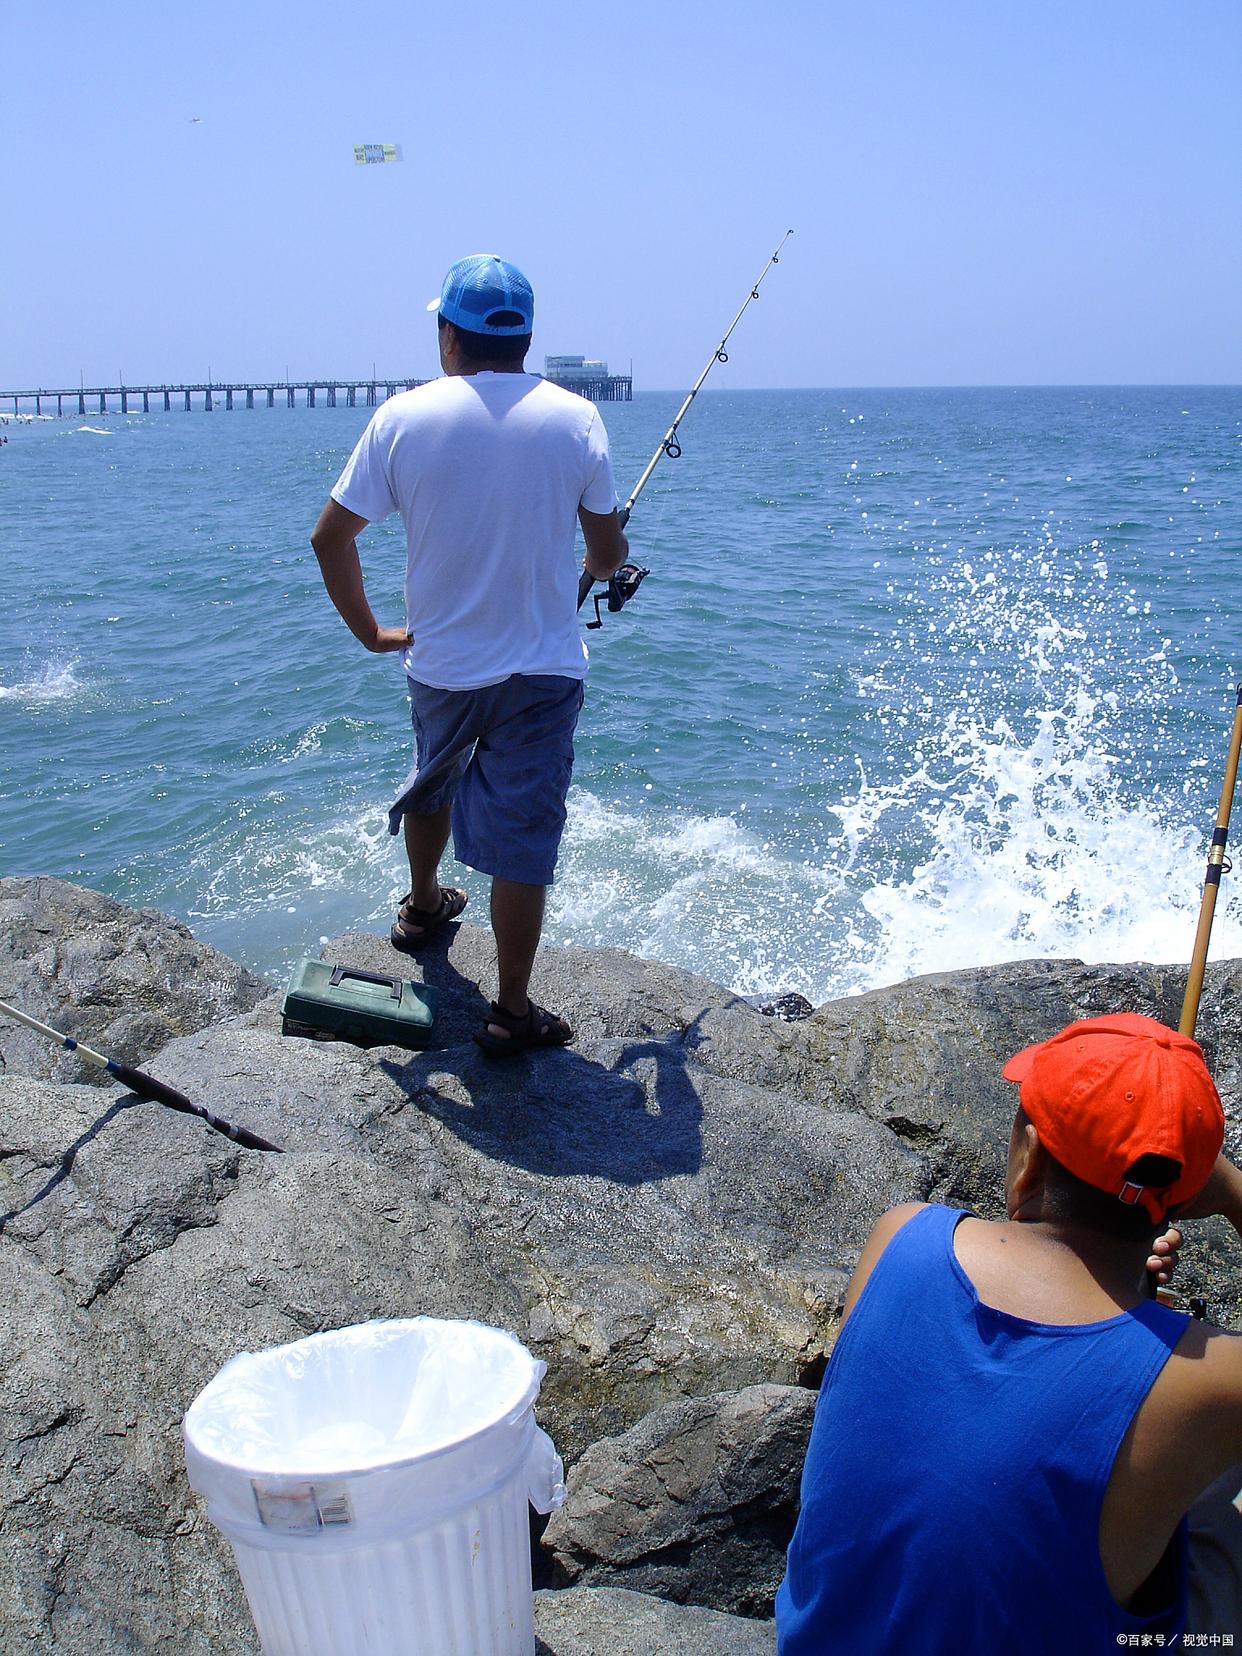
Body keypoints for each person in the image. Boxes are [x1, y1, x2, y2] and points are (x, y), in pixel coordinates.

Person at [776, 1011, 1242, 1651]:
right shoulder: (1207, 1381)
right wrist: (1234, 1193)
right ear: (1184, 1194)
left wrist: (1122, 1283)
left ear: (1028, 1158)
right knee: (1215, 1486)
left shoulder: (901, 1237)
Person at [310, 254, 628, 1055]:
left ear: (449, 334)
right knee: (522, 836)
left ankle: (422, 905)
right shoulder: (576, 418)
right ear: (523, 336)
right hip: (543, 670)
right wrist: (595, 570)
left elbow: (331, 537)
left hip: (442, 663)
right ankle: (511, 1010)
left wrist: (370, 631)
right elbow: (605, 547)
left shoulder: (403, 417)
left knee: (434, 776)